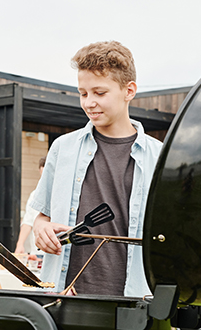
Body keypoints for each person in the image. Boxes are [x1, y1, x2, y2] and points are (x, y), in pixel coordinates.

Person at [31, 41, 162, 297]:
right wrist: (41, 229)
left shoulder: (160, 156)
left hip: (135, 300)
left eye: (99, 93)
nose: (89, 102)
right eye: (83, 93)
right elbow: (42, 216)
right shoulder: (62, 148)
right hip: (64, 296)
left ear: (129, 90)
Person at [15, 157, 46, 254]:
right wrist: (20, 244)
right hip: (36, 254)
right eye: (42, 176)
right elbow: (27, 222)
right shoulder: (34, 195)